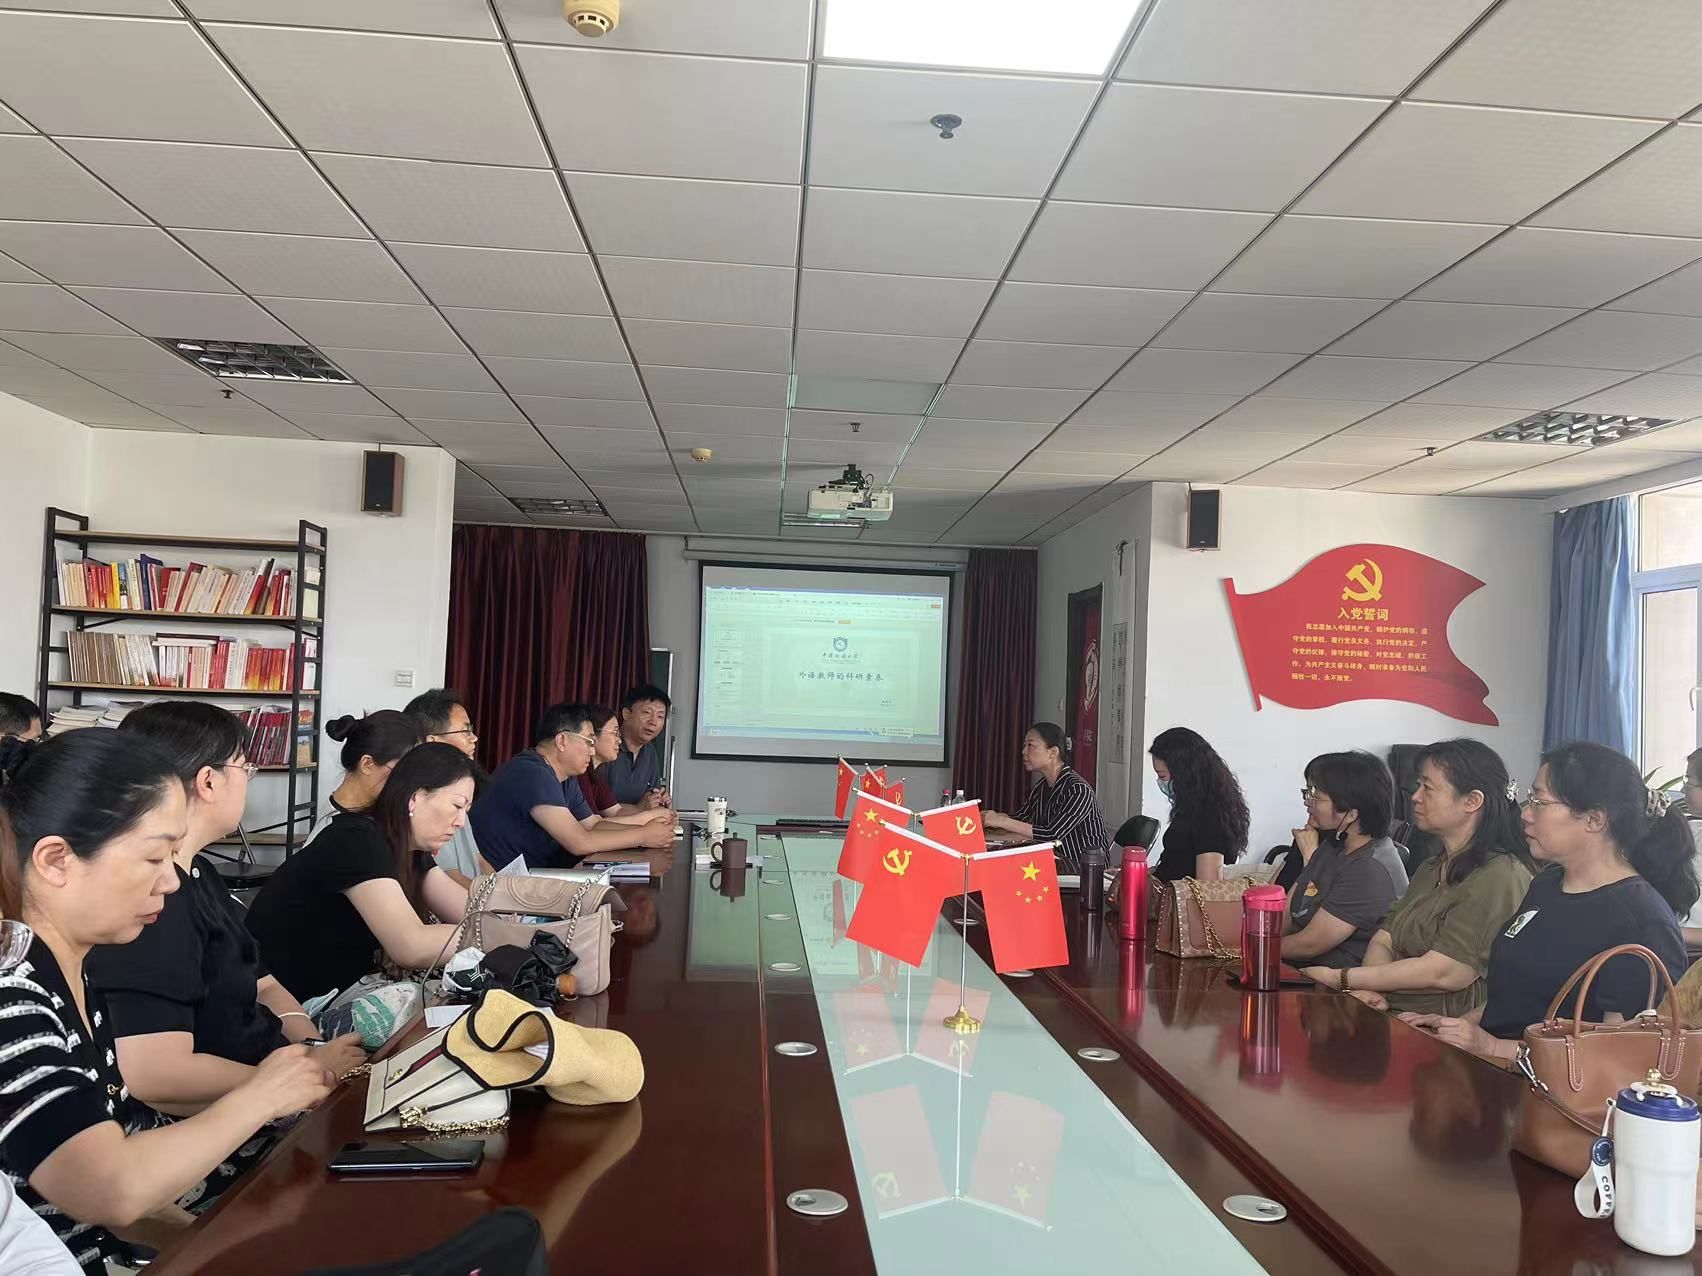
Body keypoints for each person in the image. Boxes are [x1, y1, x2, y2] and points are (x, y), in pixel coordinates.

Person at [0, 730, 333, 1275]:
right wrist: (262, 1094)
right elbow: (108, 1188)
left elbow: (124, 1199)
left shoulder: (74, 973)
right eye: (155, 856)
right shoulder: (13, 997)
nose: (171, 883)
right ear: (57, 860)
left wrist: (212, 1242)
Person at [82, 702, 365, 1111]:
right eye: (245, 768)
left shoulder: (200, 872)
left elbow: (263, 983)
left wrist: (308, 1046)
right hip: (229, 1111)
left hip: (271, 1072)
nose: (249, 779)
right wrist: (303, 1074)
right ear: (208, 782)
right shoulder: (149, 905)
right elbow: (156, 1074)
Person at [1403, 742, 1697, 1065]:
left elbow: (1620, 1058)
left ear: (1594, 819)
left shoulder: (1641, 921)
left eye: (1540, 802)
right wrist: (1454, 1027)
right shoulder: (1547, 884)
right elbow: (1512, 998)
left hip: (1549, 1088)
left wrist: (1495, 1047)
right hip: (1489, 1069)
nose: (1525, 814)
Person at [1301, 739, 1534, 1016]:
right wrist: (1374, 990)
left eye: (1428, 787)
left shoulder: (1500, 875)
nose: (1415, 796)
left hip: (1440, 1026)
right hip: (1392, 1011)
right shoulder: (1431, 867)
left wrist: (1341, 978)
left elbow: (1446, 971)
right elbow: (1383, 939)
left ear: (1472, 801)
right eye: (1418, 785)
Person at [245, 743, 476, 1002]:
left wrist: (504, 926)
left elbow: (469, 912)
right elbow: (411, 945)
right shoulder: (357, 840)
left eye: (466, 811)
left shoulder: (409, 849)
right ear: (415, 798)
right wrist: (492, 937)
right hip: (283, 1001)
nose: (461, 822)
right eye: (457, 806)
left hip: (334, 990)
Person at [470, 703, 674, 872]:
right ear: (562, 740)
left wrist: (647, 828)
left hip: (537, 875)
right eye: (589, 742)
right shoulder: (532, 771)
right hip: (504, 883)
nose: (592, 751)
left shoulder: (566, 777)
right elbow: (579, 842)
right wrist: (644, 836)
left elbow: (593, 825)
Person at [1281, 751, 1409, 968]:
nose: (1307, 802)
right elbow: (1287, 910)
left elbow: (1310, 944)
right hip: (1300, 968)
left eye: (1315, 795)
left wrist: (1252, 949)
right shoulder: (1333, 844)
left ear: (1351, 814)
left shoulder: (1369, 868)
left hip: (1337, 981)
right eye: (1308, 792)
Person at [983, 723, 1113, 873]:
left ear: (1053, 752)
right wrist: (986, 826)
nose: (1024, 751)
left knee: (1009, 869)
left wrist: (1001, 821)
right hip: (1054, 859)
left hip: (1084, 868)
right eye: (1024, 745)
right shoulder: (1042, 787)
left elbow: (1052, 835)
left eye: (1030, 745)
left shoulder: (1077, 789)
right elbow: (1021, 820)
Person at [404, 688, 492, 886]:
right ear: (432, 741)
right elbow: (450, 878)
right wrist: (499, 899)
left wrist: (506, 889)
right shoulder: (431, 797)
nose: (474, 738)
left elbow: (479, 860)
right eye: (465, 730)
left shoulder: (460, 788)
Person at [302, 709, 423, 843]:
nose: (410, 781)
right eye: (403, 770)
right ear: (367, 764)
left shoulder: (374, 813)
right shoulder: (342, 833)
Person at [1147, 727, 1249, 881]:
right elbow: (1175, 862)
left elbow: (1207, 884)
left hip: (1182, 895)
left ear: (1184, 774)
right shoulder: (1191, 805)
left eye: (1162, 776)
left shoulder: (1210, 816)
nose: (1160, 783)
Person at [604, 684, 671, 809]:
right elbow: (592, 807)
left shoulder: (650, 752)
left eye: (660, 716)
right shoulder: (604, 746)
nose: (653, 722)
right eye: (647, 713)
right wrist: (639, 808)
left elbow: (651, 798)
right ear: (626, 714)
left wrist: (659, 801)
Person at [1680, 746, 1702, 948]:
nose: (1683, 790)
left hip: (1690, 951)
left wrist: (1672, 931)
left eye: (1689, 781)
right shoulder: (1691, 828)